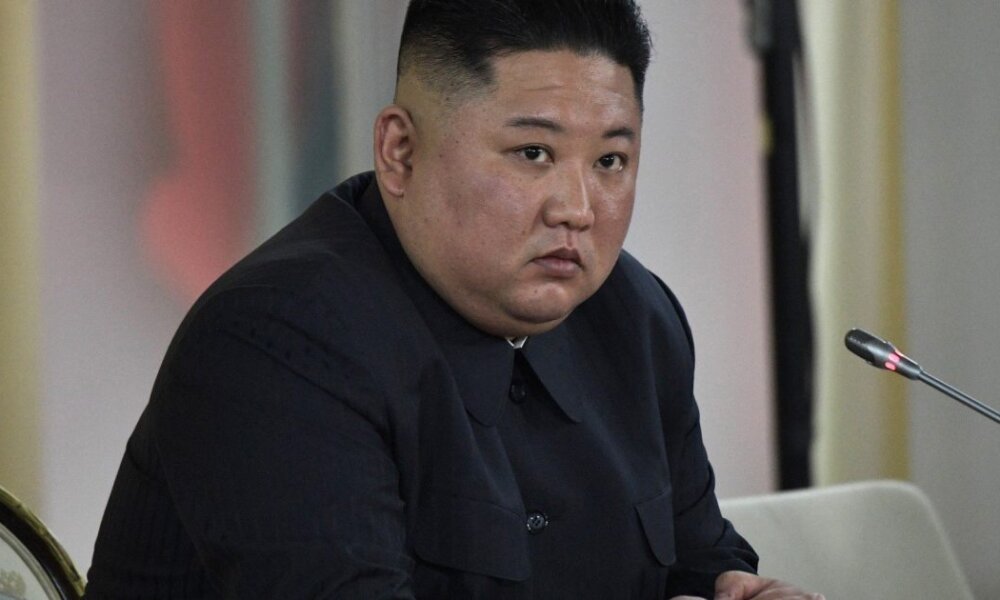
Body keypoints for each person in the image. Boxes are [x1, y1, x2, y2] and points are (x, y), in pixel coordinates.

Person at [85, 1, 823, 599]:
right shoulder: (274, 344)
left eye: (610, 160)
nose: (577, 207)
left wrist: (739, 588)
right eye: (533, 153)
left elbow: (699, 557)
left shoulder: (637, 317)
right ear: (400, 152)